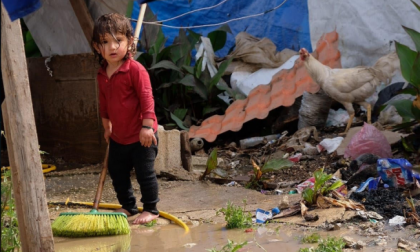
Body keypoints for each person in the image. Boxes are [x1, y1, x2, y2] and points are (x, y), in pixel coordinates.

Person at [92, 13, 159, 224]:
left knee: (144, 173)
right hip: (118, 136)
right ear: (97, 47)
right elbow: (104, 103)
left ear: (129, 42)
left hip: (142, 136)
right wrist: (106, 126)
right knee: (117, 172)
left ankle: (151, 208)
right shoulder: (102, 74)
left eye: (118, 40)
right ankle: (129, 206)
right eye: (105, 42)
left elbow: (147, 98)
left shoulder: (135, 70)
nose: (112, 47)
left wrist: (147, 127)